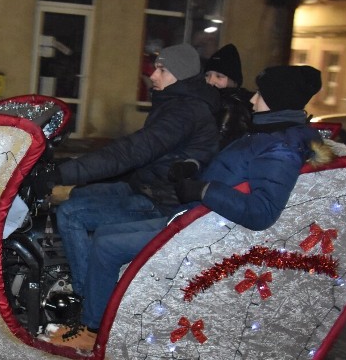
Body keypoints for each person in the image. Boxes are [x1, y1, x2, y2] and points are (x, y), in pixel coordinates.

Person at [46, 65, 334, 351]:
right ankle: (100, 317)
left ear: (277, 99)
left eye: (260, 93)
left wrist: (205, 190)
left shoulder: (279, 148)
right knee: (105, 236)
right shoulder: (268, 134)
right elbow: (233, 173)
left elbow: (261, 212)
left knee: (107, 246)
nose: (251, 99)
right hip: (196, 217)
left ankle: (94, 332)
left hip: (209, 232)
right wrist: (194, 169)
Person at [36, 43, 221, 312]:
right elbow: (133, 153)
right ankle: (79, 279)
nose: (153, 75)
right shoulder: (176, 103)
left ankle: (88, 302)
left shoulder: (185, 112)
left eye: (162, 69)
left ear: (179, 75)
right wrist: (63, 167)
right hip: (145, 188)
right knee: (75, 197)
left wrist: (61, 173)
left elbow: (131, 152)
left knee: (72, 214)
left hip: (162, 201)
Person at [204, 43, 253, 148]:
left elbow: (219, 144)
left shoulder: (232, 107)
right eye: (207, 75)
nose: (211, 81)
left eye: (219, 76)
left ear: (233, 81)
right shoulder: (205, 99)